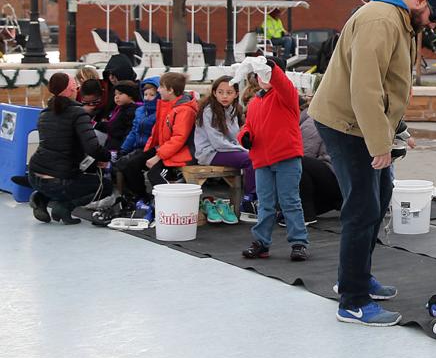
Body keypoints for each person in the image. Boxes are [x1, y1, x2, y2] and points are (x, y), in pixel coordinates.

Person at [309, 0, 436, 326]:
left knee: (380, 195)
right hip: (346, 124)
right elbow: (365, 88)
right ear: (420, 2)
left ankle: (357, 276)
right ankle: (353, 300)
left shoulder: (401, 21)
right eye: (434, 17)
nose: (434, 26)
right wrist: (379, 145)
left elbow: (391, 84)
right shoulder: (381, 20)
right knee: (362, 208)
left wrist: (398, 129)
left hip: (365, 123)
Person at [237, 58, 309, 261]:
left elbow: (281, 82)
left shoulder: (286, 95)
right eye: (260, 74)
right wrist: (244, 137)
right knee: (265, 204)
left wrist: (272, 68)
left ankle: (299, 243)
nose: (264, 78)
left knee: (290, 202)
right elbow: (247, 127)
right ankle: (261, 243)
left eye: (267, 74)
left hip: (286, 157)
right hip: (262, 160)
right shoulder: (254, 104)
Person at [26, 72, 111, 224]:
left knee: (62, 180)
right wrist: (108, 157)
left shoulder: (44, 114)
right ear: (73, 89)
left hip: (34, 175)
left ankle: (40, 198)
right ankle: (64, 206)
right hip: (59, 180)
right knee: (105, 186)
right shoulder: (78, 113)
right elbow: (92, 148)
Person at [120, 72, 197, 201]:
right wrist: (146, 153)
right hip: (165, 150)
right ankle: (142, 199)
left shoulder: (184, 110)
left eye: (161, 86)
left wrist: (157, 157)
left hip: (181, 154)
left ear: (170, 90)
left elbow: (178, 139)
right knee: (130, 165)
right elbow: (156, 134)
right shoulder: (167, 106)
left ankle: (170, 204)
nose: (159, 90)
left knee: (154, 175)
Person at [193, 76, 255, 207]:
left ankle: (260, 197)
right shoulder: (209, 111)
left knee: (260, 156)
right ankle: (250, 199)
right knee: (251, 159)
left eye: (229, 92)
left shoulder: (233, 109)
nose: (224, 96)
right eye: (220, 92)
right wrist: (244, 150)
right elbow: (218, 143)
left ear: (236, 94)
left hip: (226, 150)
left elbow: (235, 136)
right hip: (210, 152)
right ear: (214, 93)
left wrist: (244, 147)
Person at [298, 99, 342, 223]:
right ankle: (332, 202)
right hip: (340, 175)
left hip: (334, 176)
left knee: (297, 162)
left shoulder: (310, 123)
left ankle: (307, 213)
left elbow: (304, 152)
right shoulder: (315, 118)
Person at [97, 81, 139, 155]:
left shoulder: (131, 111)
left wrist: (98, 125)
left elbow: (115, 128)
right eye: (115, 94)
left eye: (120, 93)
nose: (116, 96)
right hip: (112, 143)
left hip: (119, 146)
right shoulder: (120, 108)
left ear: (130, 95)